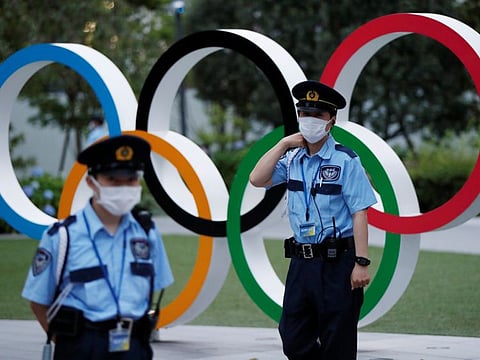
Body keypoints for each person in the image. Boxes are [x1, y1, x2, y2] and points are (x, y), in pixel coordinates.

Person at [249, 80, 377, 359]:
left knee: (337, 339)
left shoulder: (346, 160)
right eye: (305, 114)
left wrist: (361, 263)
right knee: (293, 337)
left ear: (331, 120)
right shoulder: (293, 159)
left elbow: (360, 212)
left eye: (317, 115)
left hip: (338, 263)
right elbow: (257, 179)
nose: (310, 121)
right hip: (302, 263)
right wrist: (283, 143)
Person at [22, 134, 174, 360]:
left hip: (134, 346)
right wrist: (71, 343)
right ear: (91, 181)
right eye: (113, 179)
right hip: (83, 346)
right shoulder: (63, 236)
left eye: (131, 179)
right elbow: (38, 302)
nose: (124, 187)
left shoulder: (146, 232)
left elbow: (154, 290)